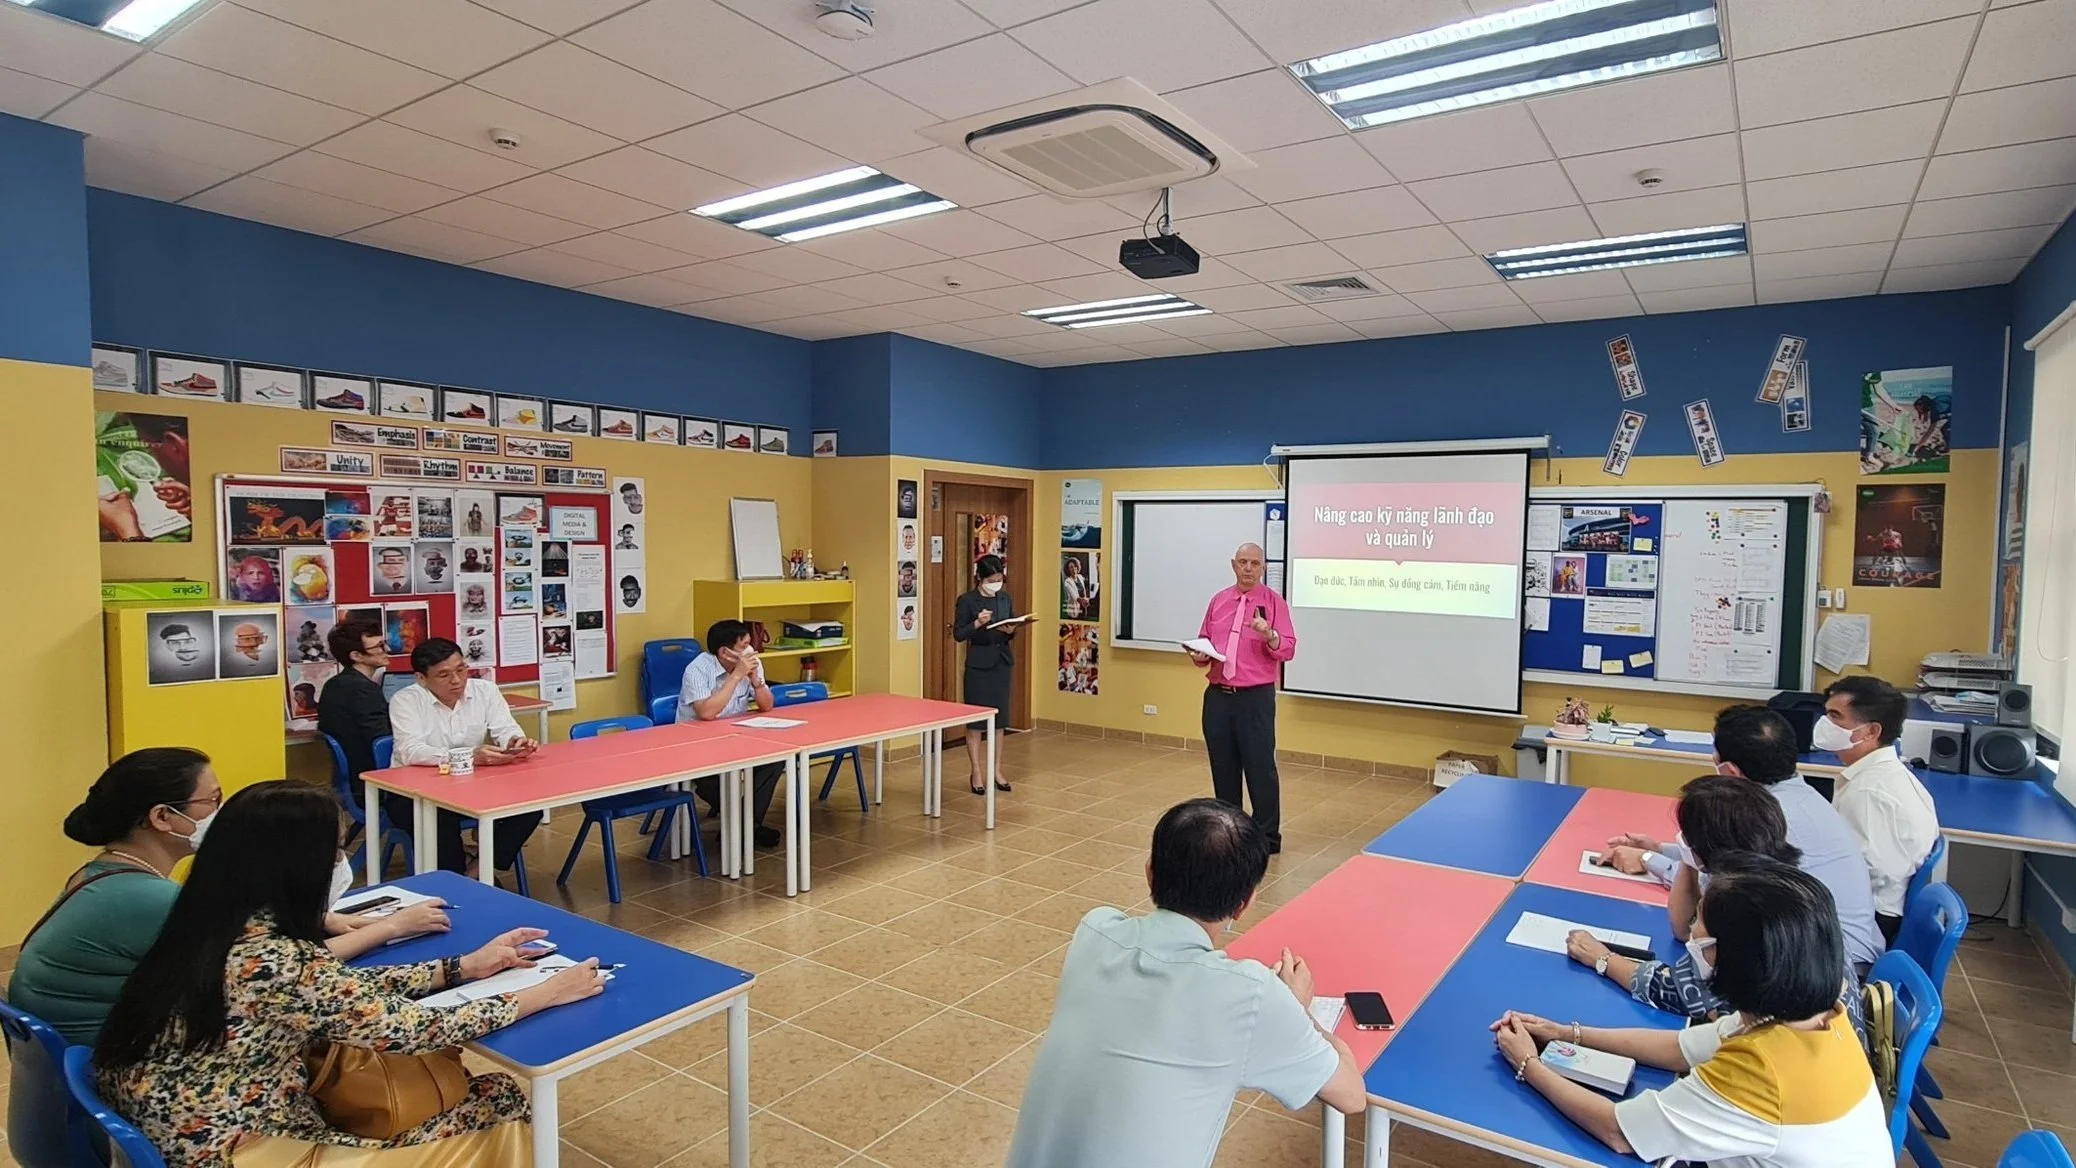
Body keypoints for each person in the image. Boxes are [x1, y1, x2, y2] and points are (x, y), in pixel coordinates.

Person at [93, 782, 607, 1168]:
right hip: (235, 1148)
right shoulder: (276, 959)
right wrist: (545, 992)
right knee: (498, 1098)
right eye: (335, 850)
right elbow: (411, 1031)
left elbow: (337, 994)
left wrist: (460, 968)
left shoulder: (210, 919)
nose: (341, 861)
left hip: (182, 1126)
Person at [1006, 799, 1363, 1167]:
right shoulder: (1250, 994)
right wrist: (1297, 1009)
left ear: (1150, 873)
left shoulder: (1095, 931)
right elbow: (1351, 1096)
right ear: (1244, 904)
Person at [9, 750, 447, 1045]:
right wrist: (392, 926)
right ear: (162, 817)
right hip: (115, 1054)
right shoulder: (147, 899)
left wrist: (326, 920)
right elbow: (277, 973)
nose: (220, 814)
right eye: (212, 800)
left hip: (83, 1048)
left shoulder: (107, 872)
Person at [1492, 854, 1890, 1168]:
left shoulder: (1760, 1075)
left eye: (1700, 920)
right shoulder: (1811, 1016)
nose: (1692, 929)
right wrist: (1566, 1033)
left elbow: (1619, 1132)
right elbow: (1680, 1048)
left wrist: (1528, 1063)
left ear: (1729, 955)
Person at [1568, 778, 1867, 1041]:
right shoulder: (1791, 883)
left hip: (1786, 1064)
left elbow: (1674, 989)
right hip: (1837, 1052)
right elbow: (1684, 929)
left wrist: (1602, 958)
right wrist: (1690, 858)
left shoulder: (1742, 906)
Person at [1603, 704, 1884, 972]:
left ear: (1731, 772)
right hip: (1840, 951)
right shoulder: (1803, 797)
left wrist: (1648, 859)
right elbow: (1725, 863)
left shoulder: (1763, 819)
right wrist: (1660, 848)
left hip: (1823, 967)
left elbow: (1703, 902)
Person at [390, 639, 544, 879]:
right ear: (421, 678)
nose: (457, 680)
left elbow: (505, 728)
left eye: (461, 669)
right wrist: (468, 756)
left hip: (471, 784)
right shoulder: (405, 700)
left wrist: (515, 742)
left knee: (529, 805)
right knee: (438, 821)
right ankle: (453, 880)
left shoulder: (485, 691)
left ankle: (477, 871)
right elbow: (410, 750)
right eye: (444, 675)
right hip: (414, 791)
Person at [1185, 543, 1296, 853]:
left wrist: (1269, 635)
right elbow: (1205, 641)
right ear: (1233, 565)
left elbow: (1288, 648)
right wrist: (1199, 654)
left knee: (1260, 768)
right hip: (1218, 697)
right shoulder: (1219, 600)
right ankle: (1229, 831)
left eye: (1254, 563)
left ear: (1263, 568)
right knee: (1223, 766)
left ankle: (1267, 838)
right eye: (1243, 562)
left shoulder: (1273, 603)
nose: (1248, 568)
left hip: (1255, 698)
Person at [1821, 676, 1940, 942]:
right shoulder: (1888, 773)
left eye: (1835, 716)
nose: (1826, 724)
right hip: (1882, 907)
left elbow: (1871, 874)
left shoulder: (1868, 791)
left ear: (1871, 731)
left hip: (1869, 918)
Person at [677, 619, 784, 847]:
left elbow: (767, 705)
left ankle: (742, 826)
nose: (750, 650)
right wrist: (736, 676)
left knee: (773, 761)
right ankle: (747, 827)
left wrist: (756, 682)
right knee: (708, 778)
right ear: (725, 652)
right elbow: (706, 713)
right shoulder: (697, 669)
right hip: (696, 743)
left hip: (735, 738)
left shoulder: (751, 663)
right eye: (743, 645)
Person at [954, 554, 1019, 794]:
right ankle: (976, 772)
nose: (996, 584)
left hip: (1001, 661)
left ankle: (997, 770)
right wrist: (977, 624)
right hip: (979, 665)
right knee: (976, 721)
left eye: (999, 579)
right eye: (991, 580)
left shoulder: (1004, 597)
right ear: (980, 578)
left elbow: (1011, 624)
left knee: (999, 720)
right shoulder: (967, 600)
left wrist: (1011, 630)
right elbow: (959, 634)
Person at [1061, 555, 1090, 619]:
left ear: (1077, 566)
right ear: (1068, 570)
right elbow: (1074, 596)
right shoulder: (1067, 582)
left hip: (1083, 607)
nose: (1074, 568)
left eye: (1075, 566)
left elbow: (1083, 589)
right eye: (1071, 567)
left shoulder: (1080, 577)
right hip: (1074, 609)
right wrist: (1083, 600)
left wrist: (1085, 599)